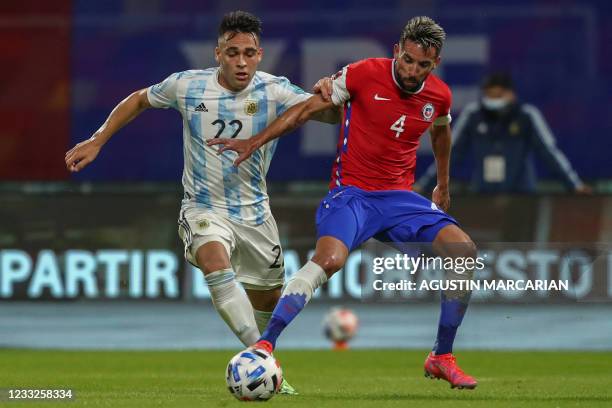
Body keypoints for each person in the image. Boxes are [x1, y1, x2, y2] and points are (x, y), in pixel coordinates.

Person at [64, 10, 338, 395]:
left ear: (260, 55)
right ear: (217, 54)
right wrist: (97, 139)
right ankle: (262, 364)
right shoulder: (187, 86)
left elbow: (331, 116)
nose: (240, 62)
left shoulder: (275, 90)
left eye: (248, 53)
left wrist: (334, 91)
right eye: (232, 53)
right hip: (203, 207)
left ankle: (263, 352)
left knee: (269, 299)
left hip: (256, 215)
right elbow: (139, 99)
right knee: (214, 260)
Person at [209, 16, 478, 389]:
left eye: (423, 65)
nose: (413, 71)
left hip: (400, 198)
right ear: (397, 51)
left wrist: (443, 185)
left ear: (436, 64)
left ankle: (442, 357)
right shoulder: (363, 73)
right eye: (408, 60)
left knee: (463, 251)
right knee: (329, 260)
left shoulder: (439, 95)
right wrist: (256, 141)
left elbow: (442, 131)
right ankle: (266, 345)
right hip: (351, 194)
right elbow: (306, 109)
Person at [416, 73, 589, 193]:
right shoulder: (473, 115)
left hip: (522, 195)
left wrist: (574, 186)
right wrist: (425, 186)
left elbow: (549, 153)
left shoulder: (527, 115)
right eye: (489, 96)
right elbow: (450, 155)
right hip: (483, 195)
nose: (493, 101)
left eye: (498, 95)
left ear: (511, 95)